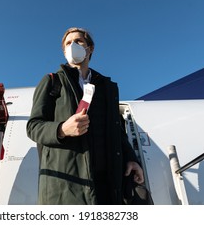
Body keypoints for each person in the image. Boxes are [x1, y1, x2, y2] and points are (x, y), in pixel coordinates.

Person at [26, 27, 144, 205]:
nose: (73, 45)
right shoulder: (52, 81)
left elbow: (116, 130)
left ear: (90, 48)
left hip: (106, 184)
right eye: (68, 43)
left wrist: (131, 158)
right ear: (64, 51)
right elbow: (33, 127)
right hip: (68, 185)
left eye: (79, 41)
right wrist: (62, 129)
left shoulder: (106, 88)